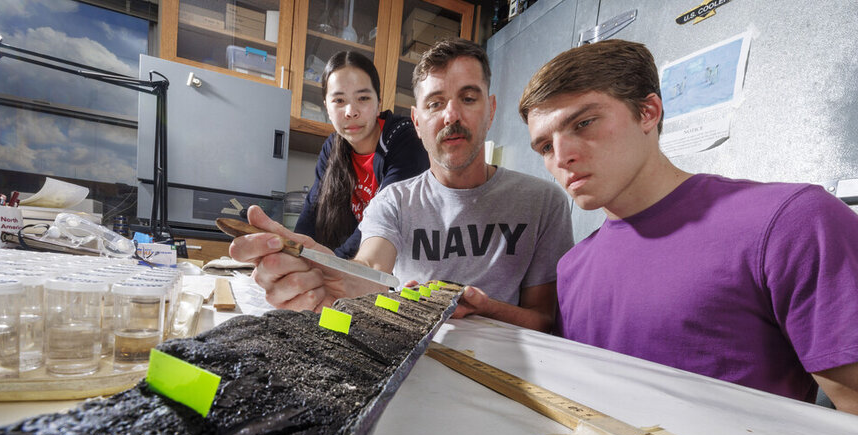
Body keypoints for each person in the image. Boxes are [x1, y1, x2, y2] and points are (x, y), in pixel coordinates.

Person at [518, 39, 858, 413]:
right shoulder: (572, 268)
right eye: (545, 147)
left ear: (648, 112)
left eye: (583, 123)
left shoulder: (793, 223)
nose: (563, 156)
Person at [230, 39, 573, 332]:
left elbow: (544, 320)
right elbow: (372, 268)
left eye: (468, 98)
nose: (451, 115)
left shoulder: (543, 202)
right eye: (435, 103)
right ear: (418, 120)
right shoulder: (393, 201)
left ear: (491, 109)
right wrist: (332, 274)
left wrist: (486, 309)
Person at [295, 51, 429, 259]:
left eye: (363, 98)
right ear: (326, 107)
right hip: (356, 265)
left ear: (378, 102)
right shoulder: (332, 148)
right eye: (339, 100)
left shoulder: (405, 139)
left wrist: (330, 264)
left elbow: (382, 218)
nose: (351, 111)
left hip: (401, 268)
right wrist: (295, 254)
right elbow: (311, 211)